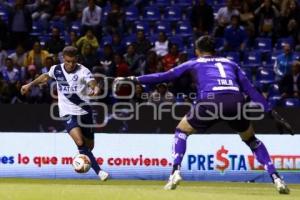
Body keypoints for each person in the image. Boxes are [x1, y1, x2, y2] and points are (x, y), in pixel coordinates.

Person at [114, 36, 293, 193]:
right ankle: (276, 178)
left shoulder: (195, 62)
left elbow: (165, 76)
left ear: (197, 50)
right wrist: (271, 112)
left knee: (181, 131)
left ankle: (175, 172)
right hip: (235, 101)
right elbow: (251, 90)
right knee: (251, 140)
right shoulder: (231, 63)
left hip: (210, 101)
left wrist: (134, 79)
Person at [20, 46, 109, 181]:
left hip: (85, 112)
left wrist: (95, 89)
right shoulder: (57, 69)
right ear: (63, 59)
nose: (71, 64)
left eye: (73, 61)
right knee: (79, 142)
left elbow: (92, 83)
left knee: (89, 147)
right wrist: (29, 85)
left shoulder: (83, 71)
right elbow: (45, 76)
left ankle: (83, 156)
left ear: (77, 59)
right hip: (67, 113)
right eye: (68, 61)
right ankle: (99, 171)